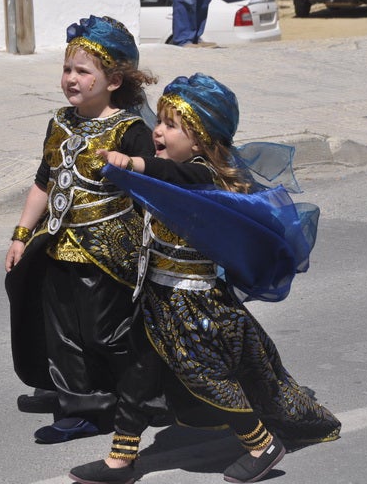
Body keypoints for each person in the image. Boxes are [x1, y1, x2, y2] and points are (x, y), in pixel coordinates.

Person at [68, 73, 341, 484]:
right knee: (137, 376)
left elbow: (172, 176)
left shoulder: (201, 177)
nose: (157, 130)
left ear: (198, 142)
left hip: (195, 307)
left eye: (171, 125)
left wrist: (135, 164)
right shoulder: (166, 176)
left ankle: (261, 442)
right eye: (159, 121)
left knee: (208, 379)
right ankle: (120, 462)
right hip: (160, 300)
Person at [4, 15, 164, 445]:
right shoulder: (60, 122)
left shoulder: (131, 131)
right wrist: (21, 234)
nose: (70, 79)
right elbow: (45, 181)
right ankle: (81, 408)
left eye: (82, 71)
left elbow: (158, 193)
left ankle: (137, 397)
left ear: (113, 80)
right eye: (67, 69)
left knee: (104, 334)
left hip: (110, 256)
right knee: (63, 334)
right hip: (58, 247)